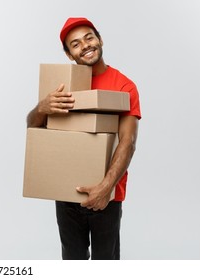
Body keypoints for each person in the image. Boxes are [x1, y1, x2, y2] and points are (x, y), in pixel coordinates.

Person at [26, 17, 142, 260]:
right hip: (66, 190)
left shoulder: (124, 85)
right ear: (70, 54)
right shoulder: (63, 84)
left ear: (99, 39)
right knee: (72, 260)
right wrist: (42, 107)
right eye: (76, 44)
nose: (85, 45)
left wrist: (104, 188)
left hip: (107, 195)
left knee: (105, 261)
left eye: (89, 37)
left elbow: (128, 142)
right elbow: (33, 127)